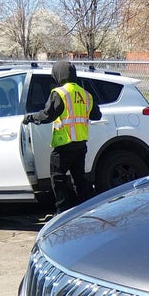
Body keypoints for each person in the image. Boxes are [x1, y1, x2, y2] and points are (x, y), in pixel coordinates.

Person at [23, 60, 102, 214]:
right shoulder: (86, 94)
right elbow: (97, 115)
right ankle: (86, 209)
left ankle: (63, 211)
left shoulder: (59, 93)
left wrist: (30, 117)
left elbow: (48, 115)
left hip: (64, 143)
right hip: (80, 144)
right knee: (79, 178)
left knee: (58, 178)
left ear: (58, 74)